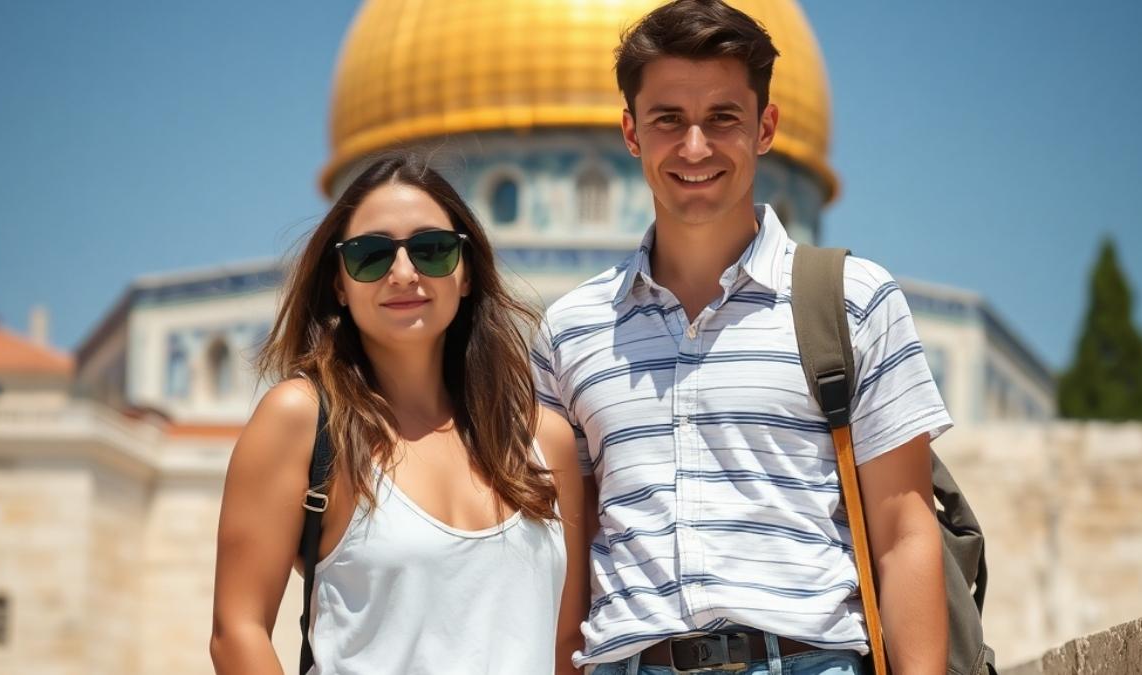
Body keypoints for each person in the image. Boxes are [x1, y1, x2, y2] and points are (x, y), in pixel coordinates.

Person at [532, 1, 950, 673]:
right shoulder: (570, 331)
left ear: (766, 127)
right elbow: (564, 563)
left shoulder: (851, 302)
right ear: (631, 133)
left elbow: (904, 533)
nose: (694, 147)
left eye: (722, 118)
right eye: (668, 119)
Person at [210, 152, 587, 675]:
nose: (404, 273)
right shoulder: (302, 419)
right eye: (371, 255)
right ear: (339, 283)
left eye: (432, 251)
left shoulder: (543, 439)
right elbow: (237, 631)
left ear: (467, 273)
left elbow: (567, 641)